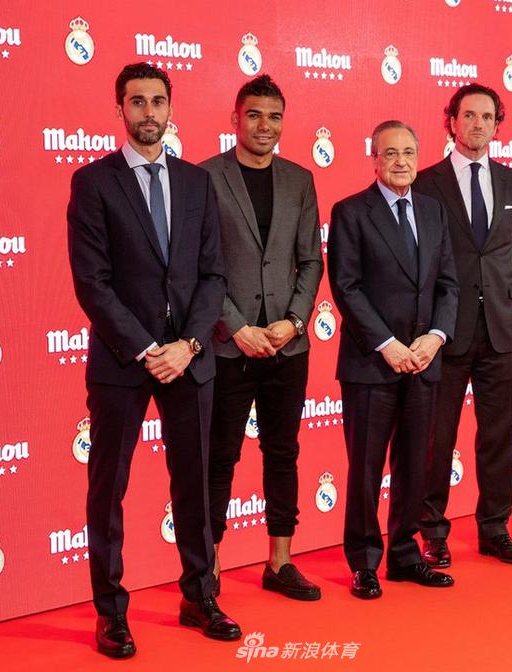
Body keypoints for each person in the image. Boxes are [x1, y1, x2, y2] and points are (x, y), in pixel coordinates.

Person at [67, 63, 240, 658]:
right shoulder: (94, 182)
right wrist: (147, 349)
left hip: (190, 358)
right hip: (123, 361)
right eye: (137, 101)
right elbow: (92, 283)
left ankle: (200, 596)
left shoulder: (197, 183)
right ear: (120, 109)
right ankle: (111, 613)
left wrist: (187, 345)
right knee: (108, 488)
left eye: (158, 101)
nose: (148, 112)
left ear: (170, 108)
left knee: (195, 483)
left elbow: (214, 275)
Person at [199, 75, 324, 600]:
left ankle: (280, 561)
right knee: (219, 457)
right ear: (235, 119)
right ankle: (207, 567)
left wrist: (294, 322)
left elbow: (311, 261)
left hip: (286, 345)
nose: (264, 125)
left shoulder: (300, 180)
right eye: (254, 115)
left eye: (274, 116)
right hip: (229, 346)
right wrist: (236, 326)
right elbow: (201, 265)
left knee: (283, 452)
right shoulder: (205, 177)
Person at [328, 120, 459, 600]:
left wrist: (435, 338)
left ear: (418, 157)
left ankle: (405, 556)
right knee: (366, 468)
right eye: (390, 153)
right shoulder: (351, 212)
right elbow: (346, 287)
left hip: (424, 361)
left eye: (408, 152)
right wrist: (388, 344)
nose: (400, 161)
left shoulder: (433, 210)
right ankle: (364, 562)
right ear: (374, 160)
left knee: (415, 466)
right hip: (372, 364)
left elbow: (448, 284)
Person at [414, 84, 512, 567]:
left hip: (501, 326)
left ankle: (495, 528)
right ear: (452, 121)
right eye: (468, 115)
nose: (477, 124)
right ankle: (432, 531)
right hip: (445, 328)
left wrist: (494, 293)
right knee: (436, 436)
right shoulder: (427, 182)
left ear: (497, 125)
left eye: (487, 116)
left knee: (499, 434)